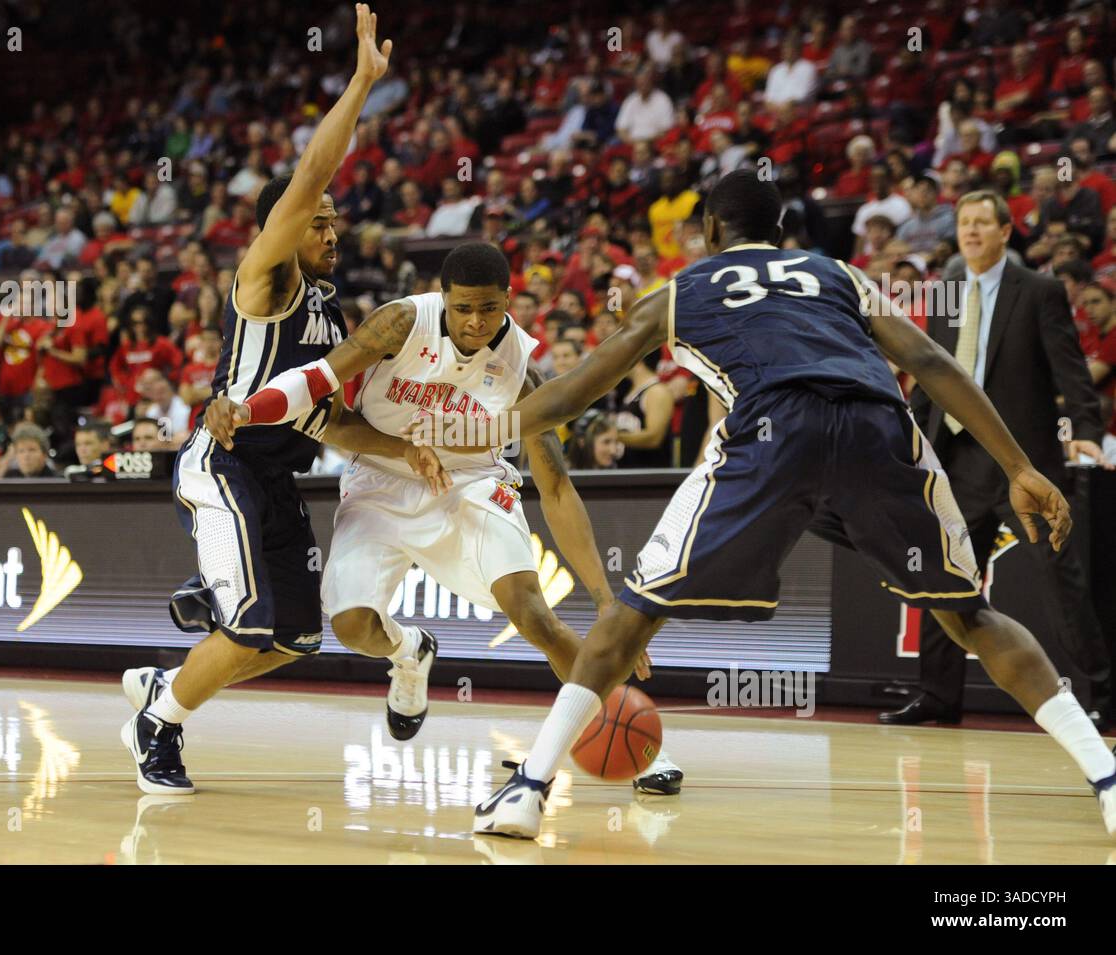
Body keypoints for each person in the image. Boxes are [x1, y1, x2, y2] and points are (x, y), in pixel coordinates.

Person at [456, 169, 1115, 839]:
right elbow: (934, 362)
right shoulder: (839, 273)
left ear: (710, 232)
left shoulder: (680, 291)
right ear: (780, 232)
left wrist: (476, 427)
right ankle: (1109, 779)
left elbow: (571, 394)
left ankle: (529, 789)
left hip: (773, 430)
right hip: (879, 424)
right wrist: (1020, 466)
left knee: (632, 614)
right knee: (971, 613)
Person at [117, 7, 445, 797]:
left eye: (336, 223)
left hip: (275, 479)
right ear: (284, 228)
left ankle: (172, 675)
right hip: (222, 462)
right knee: (255, 619)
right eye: (319, 222)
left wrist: (407, 450)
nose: (331, 230)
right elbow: (310, 175)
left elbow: (329, 418)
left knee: (297, 636)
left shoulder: (330, 313)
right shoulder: (268, 277)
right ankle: (159, 721)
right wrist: (363, 83)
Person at [222, 242, 681, 792]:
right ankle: (407, 652)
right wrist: (249, 408)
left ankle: (636, 746)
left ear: (509, 300)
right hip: (379, 478)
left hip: (472, 482)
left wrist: (606, 600)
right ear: (443, 299)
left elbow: (556, 487)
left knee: (534, 615)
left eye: (489, 308)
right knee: (352, 627)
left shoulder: (519, 369)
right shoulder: (399, 324)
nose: (476, 321)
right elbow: (324, 392)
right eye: (463, 308)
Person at [880, 190, 1114, 729]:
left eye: (984, 222)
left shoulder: (1039, 290)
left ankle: (1101, 694)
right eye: (965, 223)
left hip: (1021, 464)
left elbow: (1069, 366)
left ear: (1006, 232)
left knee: (1061, 581)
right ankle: (938, 697)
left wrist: (1085, 429)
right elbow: (929, 375)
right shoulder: (944, 293)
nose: (972, 231)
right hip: (957, 462)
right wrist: (903, 435)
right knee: (948, 577)